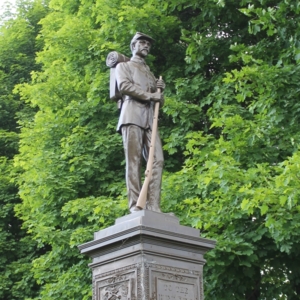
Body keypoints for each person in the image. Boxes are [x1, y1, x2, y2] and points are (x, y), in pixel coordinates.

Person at [115, 32, 165, 213]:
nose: (146, 46)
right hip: (132, 115)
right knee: (133, 161)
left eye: (148, 44)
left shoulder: (150, 74)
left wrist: (159, 94)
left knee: (157, 160)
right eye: (142, 42)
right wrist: (152, 95)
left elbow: (158, 101)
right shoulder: (124, 66)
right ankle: (135, 204)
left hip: (150, 118)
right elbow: (125, 87)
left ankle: (153, 205)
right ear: (133, 46)